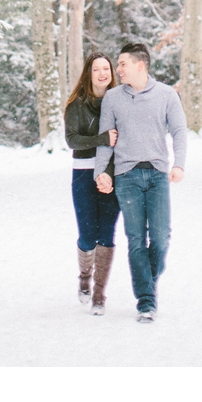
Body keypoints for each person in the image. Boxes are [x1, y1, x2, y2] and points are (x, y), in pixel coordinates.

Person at [94, 42, 189, 323]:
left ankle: (146, 279)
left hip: (158, 174)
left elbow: (180, 131)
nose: (118, 69)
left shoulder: (166, 95)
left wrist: (179, 164)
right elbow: (105, 140)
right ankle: (146, 301)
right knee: (136, 239)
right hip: (126, 176)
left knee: (161, 237)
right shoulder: (112, 98)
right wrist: (102, 171)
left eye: (122, 64)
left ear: (140, 65)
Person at [64, 52, 121, 314]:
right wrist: (101, 139)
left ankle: (99, 293)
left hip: (111, 174)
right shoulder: (76, 104)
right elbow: (73, 141)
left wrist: (109, 172)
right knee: (88, 235)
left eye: (106, 69)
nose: (102, 73)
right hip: (83, 174)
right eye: (96, 69)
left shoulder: (120, 101)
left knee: (106, 234)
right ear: (89, 73)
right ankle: (85, 276)